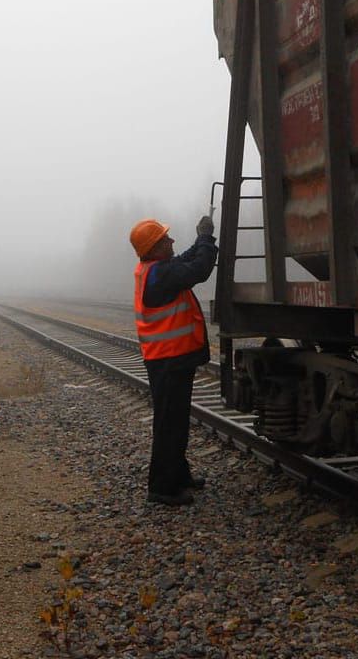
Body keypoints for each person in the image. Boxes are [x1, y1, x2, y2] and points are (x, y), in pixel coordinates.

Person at [129, 215, 218, 506]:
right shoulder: (160, 275)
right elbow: (198, 270)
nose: (171, 241)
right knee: (170, 423)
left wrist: (200, 241)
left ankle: (178, 475)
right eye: (166, 239)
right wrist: (206, 238)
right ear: (154, 248)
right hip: (168, 360)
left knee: (175, 420)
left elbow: (183, 260)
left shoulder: (155, 270)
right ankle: (162, 488)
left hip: (169, 359)